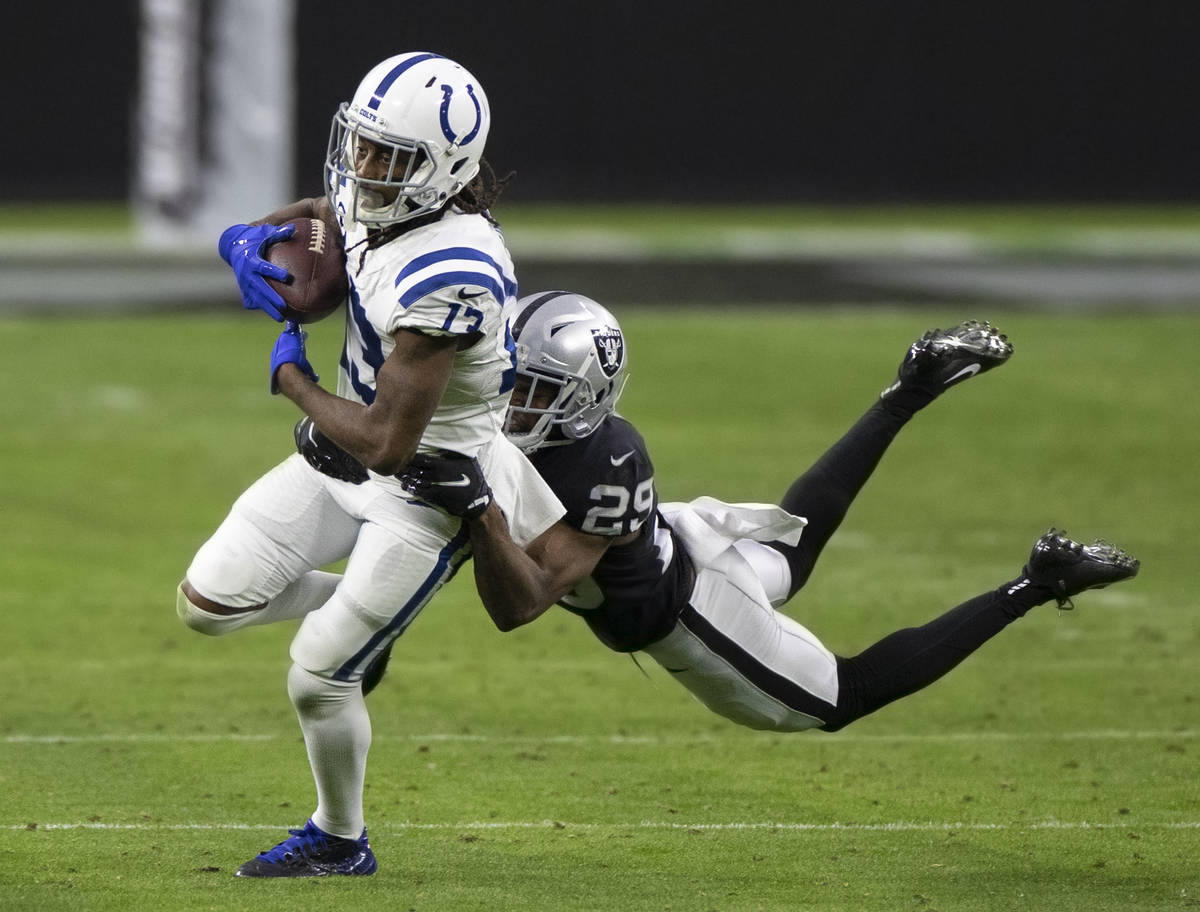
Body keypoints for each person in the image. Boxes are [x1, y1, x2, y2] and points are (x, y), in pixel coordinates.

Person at [398, 290, 1140, 733]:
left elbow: (520, 604)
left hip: (687, 613)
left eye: (533, 389)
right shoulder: (544, 437)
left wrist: (482, 517)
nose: (511, 402)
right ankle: (910, 389)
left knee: (845, 694)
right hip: (680, 541)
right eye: (510, 381)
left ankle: (1037, 582)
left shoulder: (603, 463)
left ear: (584, 395)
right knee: (793, 551)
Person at [175, 53, 563, 878]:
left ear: (445, 169)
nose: (366, 166)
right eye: (364, 143)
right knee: (205, 604)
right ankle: (366, 624)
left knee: (317, 679)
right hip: (338, 455)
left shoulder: (453, 272)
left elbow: (390, 442)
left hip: (425, 486)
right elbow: (324, 213)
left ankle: (339, 839)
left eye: (391, 155)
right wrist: (242, 239)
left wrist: (293, 381)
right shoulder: (380, 192)